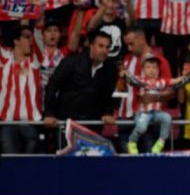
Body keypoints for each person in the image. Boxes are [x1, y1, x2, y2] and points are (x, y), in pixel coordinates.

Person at [43, 31, 117, 130]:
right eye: (101, 46)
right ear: (91, 46)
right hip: (68, 122)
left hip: (93, 124)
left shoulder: (110, 68)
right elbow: (52, 85)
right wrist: (49, 114)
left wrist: (108, 113)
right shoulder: (71, 62)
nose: (104, 50)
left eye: (107, 47)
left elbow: (110, 93)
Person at [126, 57, 189, 154]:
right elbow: (129, 78)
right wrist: (124, 73)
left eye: (154, 68)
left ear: (158, 70)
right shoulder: (140, 80)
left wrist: (184, 77)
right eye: (148, 67)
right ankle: (132, 141)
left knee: (167, 118)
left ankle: (161, 142)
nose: (151, 70)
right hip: (144, 112)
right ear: (143, 69)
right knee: (142, 127)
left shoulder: (161, 81)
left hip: (157, 113)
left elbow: (174, 81)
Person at [0, 26, 42, 154]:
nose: (31, 41)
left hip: (30, 122)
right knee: (10, 162)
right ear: (16, 41)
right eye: (27, 37)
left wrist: (36, 22)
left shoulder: (34, 62)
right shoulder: (4, 60)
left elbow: (37, 40)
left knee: (29, 163)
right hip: (7, 122)